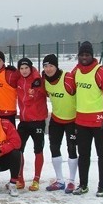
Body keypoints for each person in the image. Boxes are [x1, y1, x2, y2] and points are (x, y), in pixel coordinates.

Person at [69, 41, 103, 197]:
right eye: (81, 55)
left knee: (102, 154)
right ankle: (83, 185)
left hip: (98, 121)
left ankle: (102, 186)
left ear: (92, 55)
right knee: (83, 155)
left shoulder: (101, 71)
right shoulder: (76, 71)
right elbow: (69, 88)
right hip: (81, 121)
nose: (84, 57)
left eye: (87, 55)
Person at [42, 53, 78, 192]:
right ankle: (59, 180)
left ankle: (72, 181)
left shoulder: (68, 78)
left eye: (51, 65)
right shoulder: (45, 80)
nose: (48, 69)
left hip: (72, 120)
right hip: (56, 119)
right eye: (45, 66)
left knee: (72, 149)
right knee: (54, 148)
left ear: (56, 66)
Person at [15, 57, 48, 191]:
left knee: (38, 149)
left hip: (38, 121)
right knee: (18, 149)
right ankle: (20, 178)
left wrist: (40, 82)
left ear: (31, 68)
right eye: (21, 68)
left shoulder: (38, 80)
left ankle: (36, 179)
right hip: (24, 121)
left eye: (26, 68)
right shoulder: (18, 80)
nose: (24, 71)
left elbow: (48, 93)